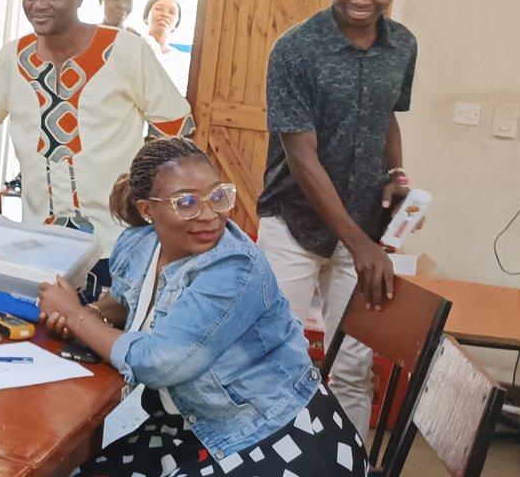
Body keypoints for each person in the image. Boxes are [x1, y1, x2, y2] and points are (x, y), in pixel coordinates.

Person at [37, 138, 366, 476]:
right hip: (192, 426)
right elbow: (127, 301)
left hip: (275, 436)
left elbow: (157, 363)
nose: (209, 215)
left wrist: (76, 316)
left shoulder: (236, 269)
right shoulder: (138, 246)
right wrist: (93, 314)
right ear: (147, 210)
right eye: (186, 202)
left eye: (217, 196)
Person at [0, 0, 193, 291]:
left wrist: (144, 188)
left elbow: (175, 124)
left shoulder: (126, 50)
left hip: (117, 242)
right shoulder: (14, 57)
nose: (39, 4)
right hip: (41, 243)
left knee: (108, 322)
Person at [256, 0, 417, 439]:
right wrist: (359, 244)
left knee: (352, 366)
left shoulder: (403, 46)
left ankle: (347, 465)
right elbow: (301, 157)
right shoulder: (295, 50)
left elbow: (388, 117)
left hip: (365, 226)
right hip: (293, 225)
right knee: (270, 358)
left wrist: (396, 174)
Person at [141, 0, 191, 95]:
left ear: (176, 24)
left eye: (172, 12)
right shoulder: (133, 47)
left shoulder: (183, 60)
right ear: (146, 17)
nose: (165, 14)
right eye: (159, 9)